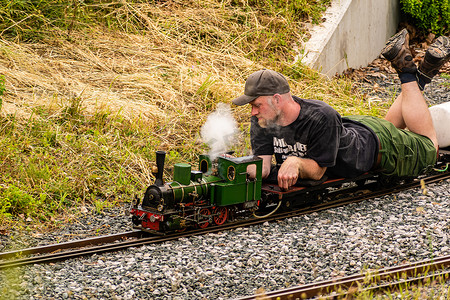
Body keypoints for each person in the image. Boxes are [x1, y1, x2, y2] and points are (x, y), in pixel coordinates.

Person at [233, 29, 450, 190]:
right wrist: (231, 168)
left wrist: (295, 161)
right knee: (389, 125)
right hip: (357, 131)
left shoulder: (319, 116)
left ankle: (407, 72)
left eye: (256, 104)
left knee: (430, 147)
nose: (253, 112)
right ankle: (426, 71)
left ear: (277, 100)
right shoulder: (263, 119)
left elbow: (317, 173)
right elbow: (262, 169)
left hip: (385, 148)